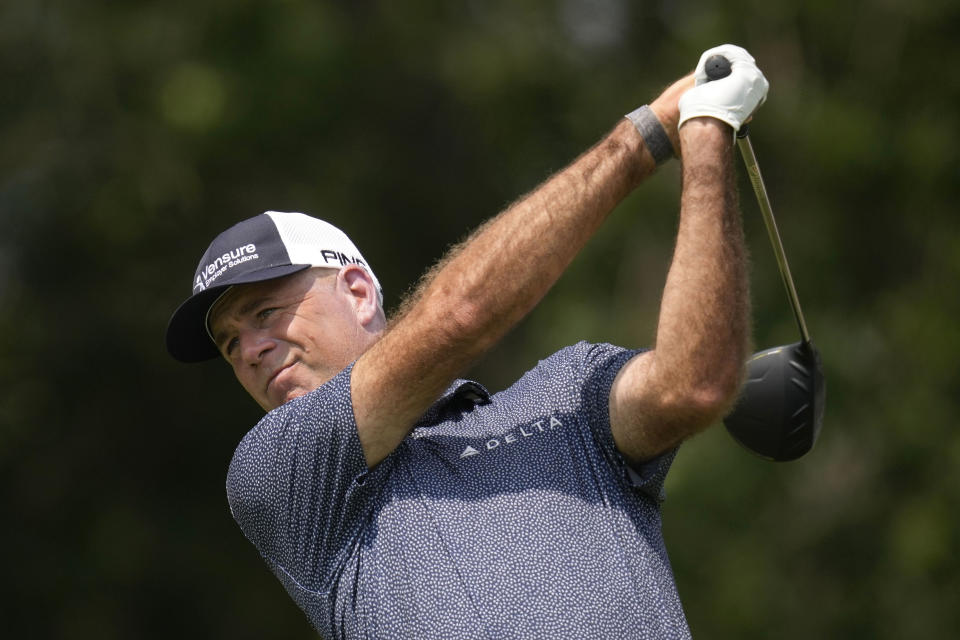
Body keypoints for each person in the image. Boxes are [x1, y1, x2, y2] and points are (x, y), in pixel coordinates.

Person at [166, 44, 768, 639]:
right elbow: (460, 316)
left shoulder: (569, 396)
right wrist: (650, 132)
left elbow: (693, 386)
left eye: (266, 313)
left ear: (356, 291)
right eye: (229, 344)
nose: (249, 350)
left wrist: (705, 132)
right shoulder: (278, 474)